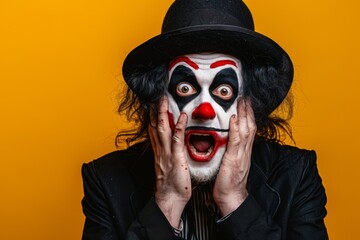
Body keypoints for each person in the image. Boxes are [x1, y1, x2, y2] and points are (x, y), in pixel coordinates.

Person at [81, 0, 328, 239]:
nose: (204, 111)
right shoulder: (105, 181)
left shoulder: (297, 177)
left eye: (224, 91)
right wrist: (168, 200)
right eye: (185, 88)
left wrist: (234, 200)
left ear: (250, 105)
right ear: (158, 100)